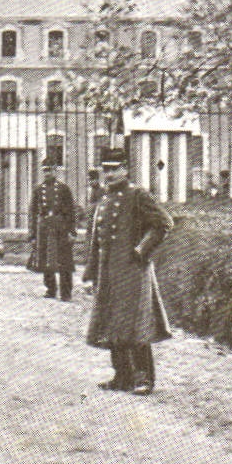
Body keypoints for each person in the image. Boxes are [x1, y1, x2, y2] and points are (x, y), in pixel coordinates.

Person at [85, 146, 173, 396]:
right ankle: (121, 375)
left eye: (114, 170)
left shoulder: (138, 195)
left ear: (125, 170)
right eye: (106, 170)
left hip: (133, 271)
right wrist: (91, 272)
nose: (109, 175)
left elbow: (164, 224)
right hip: (109, 273)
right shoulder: (103, 199)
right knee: (112, 323)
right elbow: (96, 240)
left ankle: (143, 378)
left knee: (137, 325)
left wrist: (140, 250)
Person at [29, 159, 78, 300]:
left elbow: (71, 212)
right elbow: (33, 213)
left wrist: (72, 231)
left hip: (61, 227)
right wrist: (32, 235)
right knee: (46, 260)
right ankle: (50, 288)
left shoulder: (63, 189)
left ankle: (66, 292)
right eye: (44, 170)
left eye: (49, 170)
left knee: (64, 260)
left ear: (55, 170)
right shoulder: (38, 190)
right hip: (44, 227)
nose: (47, 173)